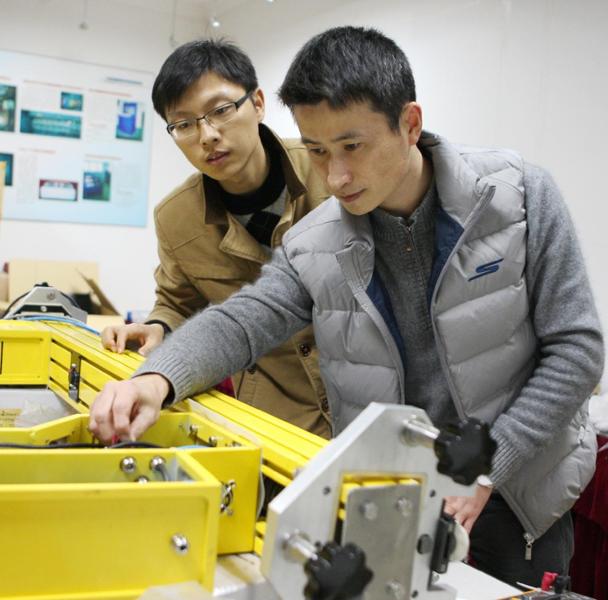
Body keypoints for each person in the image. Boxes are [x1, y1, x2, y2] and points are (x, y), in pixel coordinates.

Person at [89, 27, 604, 587]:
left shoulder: (519, 196)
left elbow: (576, 349)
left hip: (518, 487)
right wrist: (156, 380)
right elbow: (240, 322)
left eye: (352, 147)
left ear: (410, 124)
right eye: (316, 151)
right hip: (392, 492)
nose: (334, 177)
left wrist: (486, 465)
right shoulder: (315, 243)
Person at [100, 39, 331, 438]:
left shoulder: (329, 169)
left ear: (258, 103)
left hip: (360, 404)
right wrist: (157, 326)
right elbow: (177, 302)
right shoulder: (176, 218)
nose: (206, 135)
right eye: (184, 124)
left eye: (221, 110)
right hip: (272, 421)